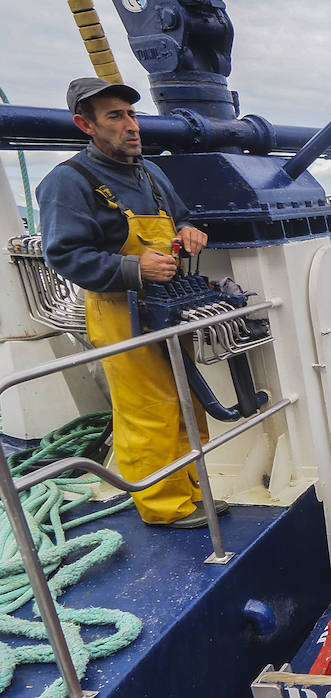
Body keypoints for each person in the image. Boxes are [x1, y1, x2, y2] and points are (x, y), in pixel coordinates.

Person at [37, 77, 221, 529]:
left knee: (184, 401)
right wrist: (134, 270)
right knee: (148, 408)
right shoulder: (68, 182)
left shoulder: (150, 172)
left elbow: (182, 216)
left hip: (168, 307)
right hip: (119, 312)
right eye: (115, 116)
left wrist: (189, 230)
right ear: (86, 125)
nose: (131, 125)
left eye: (132, 114)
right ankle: (163, 506)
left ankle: (193, 494)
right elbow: (63, 254)